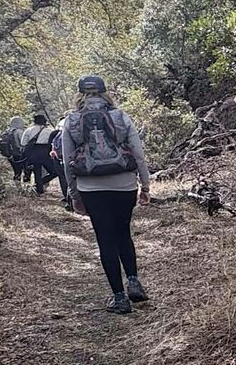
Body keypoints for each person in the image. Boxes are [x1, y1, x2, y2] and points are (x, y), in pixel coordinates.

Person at [60, 75, 152, 314]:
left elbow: (67, 161)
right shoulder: (121, 116)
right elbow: (138, 153)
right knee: (123, 233)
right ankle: (134, 282)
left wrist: (74, 194)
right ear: (105, 92)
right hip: (125, 185)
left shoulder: (71, 121)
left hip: (91, 187)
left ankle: (119, 298)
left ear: (80, 94)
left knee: (105, 239)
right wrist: (145, 186)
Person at [20, 113, 56, 195]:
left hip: (33, 153)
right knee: (54, 172)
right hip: (46, 153)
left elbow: (23, 143)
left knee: (37, 171)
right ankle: (41, 183)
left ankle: (39, 189)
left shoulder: (28, 130)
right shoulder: (50, 130)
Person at [0, 116, 31, 187]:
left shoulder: (7, 131)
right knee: (26, 170)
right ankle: (26, 187)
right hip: (20, 153)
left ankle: (17, 186)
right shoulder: (20, 131)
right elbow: (23, 143)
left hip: (10, 155)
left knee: (16, 171)